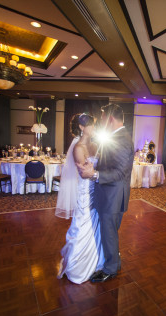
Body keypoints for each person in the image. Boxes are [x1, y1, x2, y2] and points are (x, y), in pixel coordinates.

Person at [77, 104, 134, 283]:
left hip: (113, 196)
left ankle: (110, 269)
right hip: (111, 194)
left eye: (102, 118)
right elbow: (109, 163)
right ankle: (114, 263)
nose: (101, 122)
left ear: (110, 119)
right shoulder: (116, 137)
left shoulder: (123, 140)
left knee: (109, 232)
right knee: (110, 232)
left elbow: (120, 173)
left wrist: (93, 174)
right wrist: (93, 165)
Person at [55, 113, 104, 284]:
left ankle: (96, 261)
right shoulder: (78, 148)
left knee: (96, 225)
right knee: (83, 225)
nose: (93, 128)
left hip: (97, 191)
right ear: (82, 128)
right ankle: (78, 267)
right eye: (91, 125)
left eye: (94, 124)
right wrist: (93, 173)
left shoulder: (96, 144)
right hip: (84, 194)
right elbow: (84, 175)